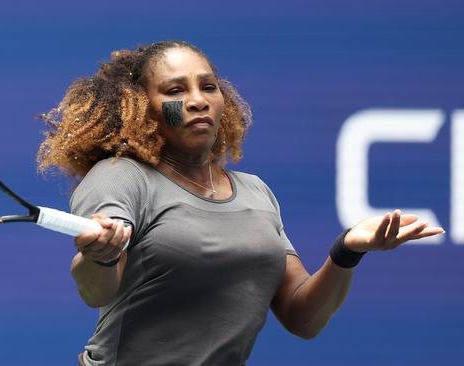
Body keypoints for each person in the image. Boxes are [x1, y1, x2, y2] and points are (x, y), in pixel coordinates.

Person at [37, 40, 445, 366]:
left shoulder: (255, 191)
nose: (198, 100)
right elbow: (96, 290)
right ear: (144, 108)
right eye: (176, 91)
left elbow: (301, 317)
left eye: (208, 86)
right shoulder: (120, 176)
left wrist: (347, 251)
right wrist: (101, 256)